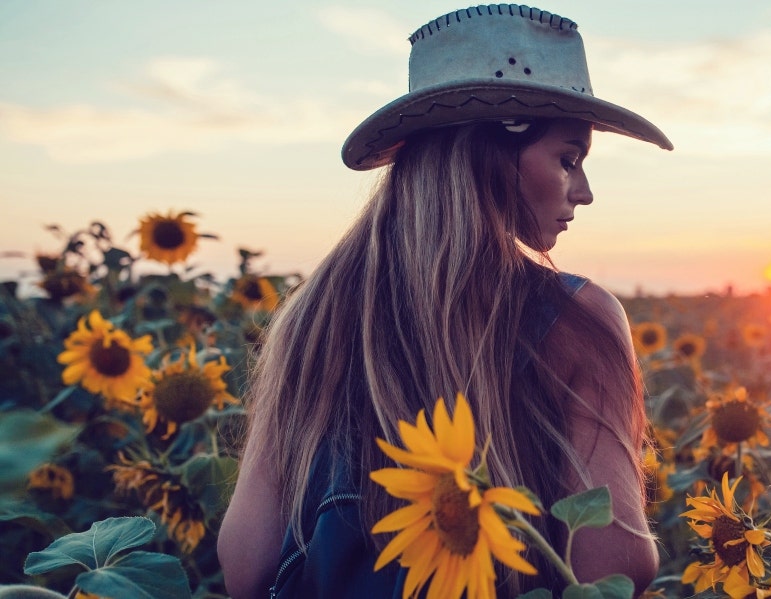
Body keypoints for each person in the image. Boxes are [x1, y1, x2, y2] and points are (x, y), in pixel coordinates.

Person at [217, 4, 672, 598]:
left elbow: (245, 564)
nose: (583, 192)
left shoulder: (309, 318)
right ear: (493, 146)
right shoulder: (575, 317)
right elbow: (610, 569)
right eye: (568, 159)